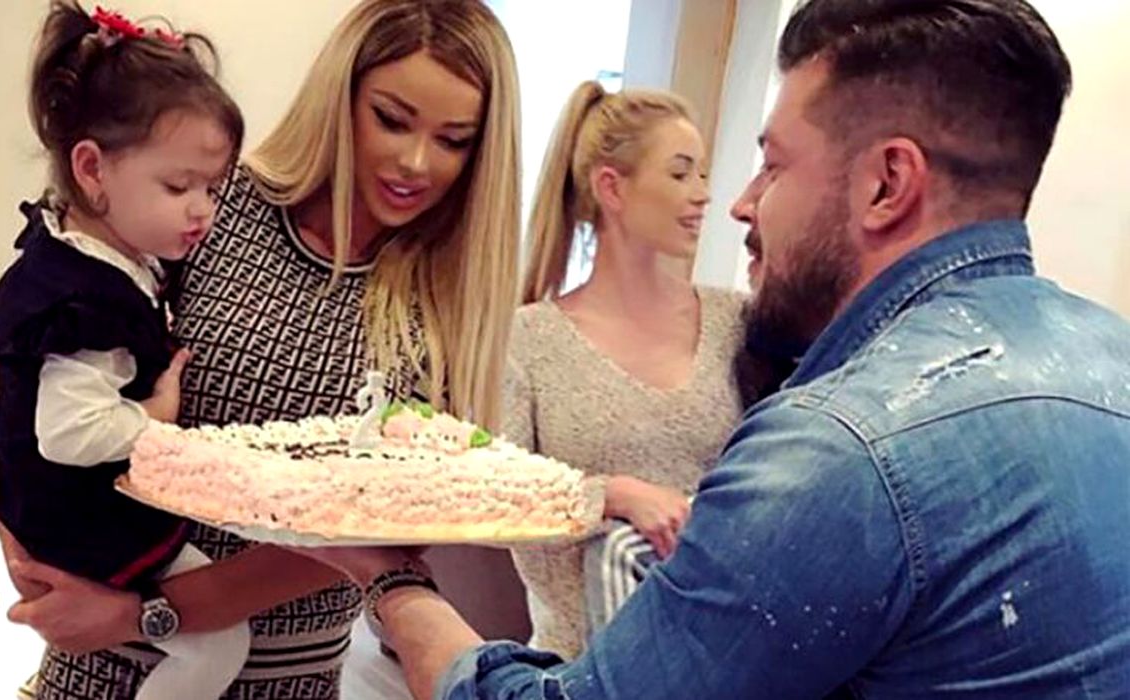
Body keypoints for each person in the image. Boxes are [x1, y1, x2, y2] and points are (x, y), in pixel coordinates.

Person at [299, 1, 1130, 697]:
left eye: (773, 165)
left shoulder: (840, 445)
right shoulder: (1110, 356)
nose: (735, 201)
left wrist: (391, 580)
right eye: (688, 172)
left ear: (887, 185)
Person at [0, 0, 524, 697]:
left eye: (454, 140)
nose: (415, 161)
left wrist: (145, 613)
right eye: (390, 118)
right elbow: (5, 380)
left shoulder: (445, 305)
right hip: (98, 667)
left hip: (282, 678)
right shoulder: (215, 206)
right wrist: (28, 551)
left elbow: (356, 537)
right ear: (341, 99)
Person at [0, 3, 249, 697]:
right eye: (178, 186)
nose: (203, 210)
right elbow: (69, 430)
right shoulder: (84, 299)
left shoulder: (90, 256)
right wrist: (156, 422)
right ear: (92, 168)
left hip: (66, 511)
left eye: (213, 188)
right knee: (222, 641)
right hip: (82, 522)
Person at [503, 82, 759, 659]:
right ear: (612, 187)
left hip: (720, 659)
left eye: (701, 174)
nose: (703, 194)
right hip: (575, 665)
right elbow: (498, 502)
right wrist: (610, 495)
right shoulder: (530, 340)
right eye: (680, 173)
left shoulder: (736, 321)